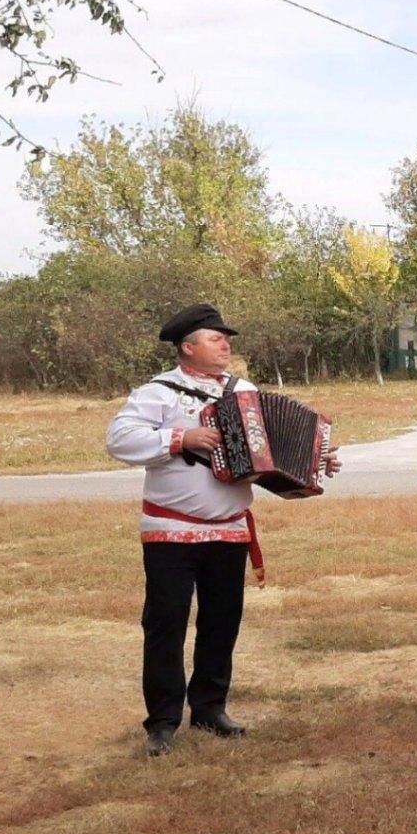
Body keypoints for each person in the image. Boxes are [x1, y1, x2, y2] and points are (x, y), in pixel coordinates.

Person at [106, 304, 340, 757]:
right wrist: (180, 439)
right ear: (187, 347)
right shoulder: (160, 393)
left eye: (226, 338)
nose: (226, 344)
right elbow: (119, 439)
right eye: (215, 338)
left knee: (221, 622)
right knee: (166, 624)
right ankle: (163, 721)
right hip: (170, 529)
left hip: (229, 530)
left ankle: (210, 707)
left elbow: (267, 453)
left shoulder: (244, 391)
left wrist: (315, 461)